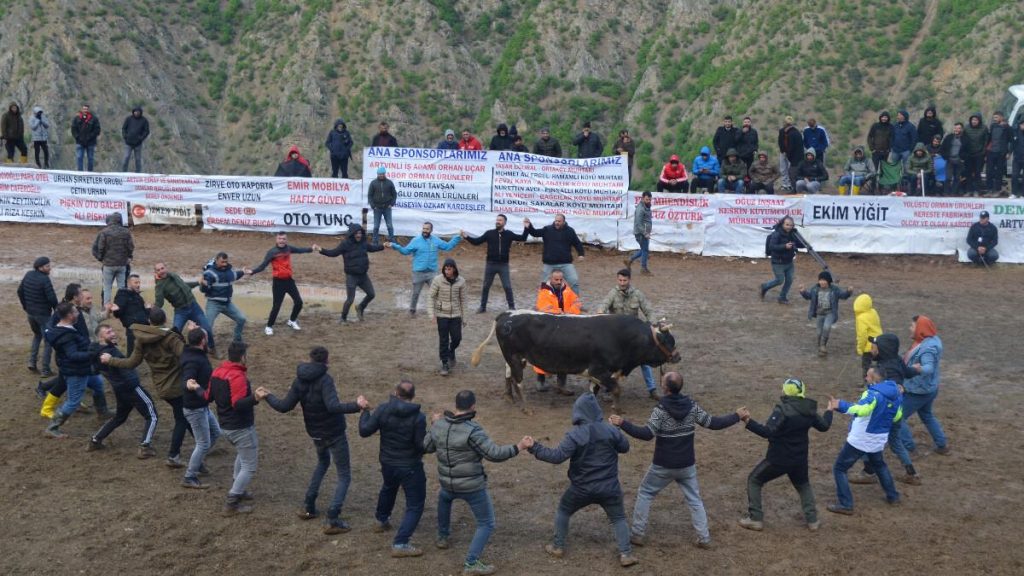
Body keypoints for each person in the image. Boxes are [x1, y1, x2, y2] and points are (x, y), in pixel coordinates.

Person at [609, 372, 745, 550]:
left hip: (663, 464)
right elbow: (713, 423)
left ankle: (638, 534)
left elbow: (646, 434)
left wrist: (622, 423)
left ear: (665, 388)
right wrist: (736, 415)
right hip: (687, 464)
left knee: (646, 492)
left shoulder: (661, 410)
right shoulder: (692, 407)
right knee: (694, 499)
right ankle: (704, 537)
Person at [423, 389, 529, 576]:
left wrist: (433, 424)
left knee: (445, 499)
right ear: (473, 407)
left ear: (456, 405)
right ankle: (471, 563)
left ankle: (442, 537)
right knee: (486, 522)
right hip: (471, 486)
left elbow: (427, 446)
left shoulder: (439, 425)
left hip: (447, 482)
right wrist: (518, 447)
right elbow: (494, 454)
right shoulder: (473, 431)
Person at [258, 346, 361, 533]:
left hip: (315, 432)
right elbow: (332, 406)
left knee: (322, 463)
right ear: (327, 361)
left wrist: (268, 396)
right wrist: (357, 405)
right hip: (334, 433)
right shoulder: (325, 380)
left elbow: (284, 406)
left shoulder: (299, 380)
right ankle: (332, 518)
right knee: (344, 475)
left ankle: (308, 506)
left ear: (310, 359)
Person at [528, 393, 637, 568]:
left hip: (581, 488)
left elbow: (556, 457)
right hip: (609, 487)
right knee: (618, 518)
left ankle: (557, 546)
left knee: (563, 511)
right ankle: (626, 554)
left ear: (578, 411)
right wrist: (614, 432)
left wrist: (534, 447)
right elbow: (625, 447)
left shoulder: (575, 434)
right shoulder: (611, 430)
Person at [737, 378, 832, 532]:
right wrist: (829, 410)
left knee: (754, 480)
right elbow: (824, 426)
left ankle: (755, 518)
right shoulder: (809, 410)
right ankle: (812, 520)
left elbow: (767, 431)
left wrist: (747, 420)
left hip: (778, 458)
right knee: (803, 485)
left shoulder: (782, 410)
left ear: (786, 391)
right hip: (799, 459)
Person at [101, 307, 188, 467]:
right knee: (182, 417)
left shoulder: (141, 339)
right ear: (165, 320)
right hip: (177, 385)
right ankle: (174, 455)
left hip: (161, 386)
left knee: (184, 414)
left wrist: (111, 360)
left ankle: (203, 441)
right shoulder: (171, 338)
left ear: (149, 321)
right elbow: (187, 357)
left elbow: (131, 362)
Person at [359, 380, 428, 558]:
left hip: (388, 462)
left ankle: (381, 520)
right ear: (412, 396)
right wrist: (434, 431)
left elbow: (364, 431)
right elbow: (421, 446)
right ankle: (401, 543)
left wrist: (365, 411)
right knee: (415, 505)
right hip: (410, 466)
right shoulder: (418, 417)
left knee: (389, 487)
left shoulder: (383, 409)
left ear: (396, 393)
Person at [826, 367, 903, 514]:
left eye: (868, 376)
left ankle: (846, 504)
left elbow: (862, 410)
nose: (866, 378)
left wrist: (839, 405)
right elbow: (897, 416)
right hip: (879, 439)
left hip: (861, 439)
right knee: (880, 465)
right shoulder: (897, 395)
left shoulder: (873, 394)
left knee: (840, 468)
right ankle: (893, 496)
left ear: (874, 379)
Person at [88, 323, 159, 457]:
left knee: (119, 417)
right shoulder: (112, 353)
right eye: (108, 332)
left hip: (119, 389)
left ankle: (95, 440)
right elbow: (126, 371)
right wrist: (135, 383)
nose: (113, 333)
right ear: (101, 337)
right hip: (131, 388)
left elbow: (94, 369)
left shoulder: (95, 351)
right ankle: (145, 446)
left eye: (112, 330)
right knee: (152, 415)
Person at [43, 303, 107, 438]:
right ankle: (52, 428)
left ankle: (103, 411)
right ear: (69, 315)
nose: (78, 314)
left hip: (82, 369)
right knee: (73, 402)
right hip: (76, 372)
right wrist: (93, 354)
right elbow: (72, 355)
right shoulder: (66, 336)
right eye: (75, 312)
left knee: (98, 384)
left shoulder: (64, 329)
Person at [209, 341, 259, 516]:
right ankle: (232, 501)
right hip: (240, 427)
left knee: (242, 454)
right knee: (250, 466)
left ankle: (239, 487)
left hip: (225, 425)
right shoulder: (237, 377)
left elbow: (208, 396)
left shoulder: (217, 372)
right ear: (242, 357)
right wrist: (255, 398)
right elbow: (238, 404)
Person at [599, 268, 658, 398]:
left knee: (644, 361)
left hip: (633, 337)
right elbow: (603, 307)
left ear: (629, 280)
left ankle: (652, 389)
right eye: (620, 280)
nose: (622, 283)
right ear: (617, 279)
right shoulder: (612, 294)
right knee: (611, 363)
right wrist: (599, 315)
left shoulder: (637, 294)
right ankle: (608, 389)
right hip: (616, 338)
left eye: (624, 280)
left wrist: (653, 324)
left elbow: (649, 311)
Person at [898, 315, 950, 457]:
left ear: (920, 329)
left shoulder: (927, 348)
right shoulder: (932, 340)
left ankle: (910, 448)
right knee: (926, 415)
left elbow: (928, 368)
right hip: (930, 388)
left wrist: (917, 369)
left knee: (897, 417)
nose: (910, 328)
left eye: (912, 326)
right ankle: (942, 444)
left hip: (918, 391)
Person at [249, 231, 320, 335]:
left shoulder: (288, 248)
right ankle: (269, 326)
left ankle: (292, 320)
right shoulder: (272, 252)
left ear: (286, 240)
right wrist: (252, 272)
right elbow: (263, 266)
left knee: (299, 302)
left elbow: (300, 250)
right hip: (278, 283)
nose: (282, 241)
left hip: (289, 281)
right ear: (276, 239)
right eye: (280, 239)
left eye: (284, 239)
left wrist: (311, 249)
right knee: (277, 306)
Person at [386, 222, 461, 315]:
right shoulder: (416, 240)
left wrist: (457, 237)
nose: (425, 231)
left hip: (432, 272)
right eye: (424, 229)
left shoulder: (436, 240)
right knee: (416, 293)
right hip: (418, 272)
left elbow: (448, 247)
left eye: (427, 229)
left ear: (431, 230)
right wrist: (394, 245)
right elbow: (405, 251)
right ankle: (412, 310)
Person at [462, 214, 527, 313]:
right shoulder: (489, 233)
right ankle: (482, 307)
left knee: (507, 286)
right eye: (497, 220)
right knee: (486, 286)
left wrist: (526, 228)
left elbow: (522, 238)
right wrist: (466, 237)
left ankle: (512, 307)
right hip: (490, 264)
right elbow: (476, 242)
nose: (498, 221)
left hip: (503, 265)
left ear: (505, 223)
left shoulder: (509, 234)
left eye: (500, 220)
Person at [179, 327, 220, 488]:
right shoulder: (193, 360)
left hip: (202, 405)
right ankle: (189, 477)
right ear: (203, 340)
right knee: (203, 443)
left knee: (216, 433)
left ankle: (198, 461)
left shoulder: (193, 353)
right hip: (195, 408)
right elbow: (187, 377)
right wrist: (189, 383)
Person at [320, 222, 384, 323]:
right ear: (352, 234)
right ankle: (343, 318)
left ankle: (360, 307)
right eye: (356, 233)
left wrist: (383, 246)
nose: (359, 235)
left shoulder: (363, 243)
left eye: (360, 233)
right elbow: (333, 253)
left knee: (371, 294)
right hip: (351, 276)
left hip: (363, 276)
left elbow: (372, 248)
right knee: (350, 299)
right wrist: (321, 250)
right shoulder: (345, 244)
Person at [534, 269, 580, 394]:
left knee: (564, 354)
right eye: (556, 280)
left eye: (561, 279)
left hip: (564, 327)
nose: (559, 282)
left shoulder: (567, 290)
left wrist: (569, 313)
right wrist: (561, 313)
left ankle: (561, 384)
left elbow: (576, 303)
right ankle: (541, 380)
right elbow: (543, 309)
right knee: (542, 354)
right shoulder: (544, 292)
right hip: (548, 328)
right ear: (551, 278)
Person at [154, 262, 216, 355]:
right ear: (156, 273)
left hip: (194, 307)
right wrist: (152, 310)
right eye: (158, 270)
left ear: (166, 268)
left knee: (207, 328)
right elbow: (160, 303)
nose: (161, 271)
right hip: (180, 311)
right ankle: (176, 351)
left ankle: (211, 348)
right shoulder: (160, 286)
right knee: (175, 333)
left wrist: (197, 282)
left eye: (162, 268)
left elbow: (185, 285)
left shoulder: (174, 275)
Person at [525, 214, 585, 295]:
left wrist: (581, 254)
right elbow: (535, 233)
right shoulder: (547, 229)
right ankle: (543, 304)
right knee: (544, 284)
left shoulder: (570, 231)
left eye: (559, 221)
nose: (557, 223)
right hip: (549, 263)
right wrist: (529, 226)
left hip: (566, 263)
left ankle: (576, 304)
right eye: (556, 221)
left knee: (574, 281)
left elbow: (577, 243)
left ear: (564, 222)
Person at [18, 256, 58, 376]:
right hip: (43, 315)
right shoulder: (45, 279)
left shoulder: (29, 274)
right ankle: (45, 369)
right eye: (47, 266)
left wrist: (26, 306)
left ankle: (32, 362)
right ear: (40, 267)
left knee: (37, 336)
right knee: (48, 341)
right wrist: (57, 310)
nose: (49, 268)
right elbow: (51, 298)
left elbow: (20, 291)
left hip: (31, 314)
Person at [798, 271, 853, 357]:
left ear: (828, 281)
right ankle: (820, 346)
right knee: (819, 333)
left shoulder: (834, 290)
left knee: (826, 327)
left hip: (830, 313)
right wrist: (803, 292)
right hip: (819, 314)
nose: (822, 282)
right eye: (820, 280)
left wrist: (848, 292)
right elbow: (809, 297)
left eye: (824, 280)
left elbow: (843, 296)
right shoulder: (815, 289)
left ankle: (823, 346)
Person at [428, 259, 467, 376]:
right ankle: (445, 363)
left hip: (456, 315)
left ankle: (451, 350)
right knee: (443, 339)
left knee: (457, 338)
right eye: (445, 269)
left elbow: (463, 301)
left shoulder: (461, 281)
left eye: (449, 269)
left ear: (454, 269)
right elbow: (431, 297)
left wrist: (464, 318)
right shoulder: (437, 280)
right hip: (442, 315)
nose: (447, 271)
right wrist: (431, 314)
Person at [200, 252, 249, 345]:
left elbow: (235, 275)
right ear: (216, 261)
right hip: (213, 304)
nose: (225, 264)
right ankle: (208, 346)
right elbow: (204, 289)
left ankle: (237, 340)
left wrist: (243, 272)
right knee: (207, 327)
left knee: (241, 319)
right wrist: (204, 284)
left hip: (227, 304)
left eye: (226, 262)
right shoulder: (209, 273)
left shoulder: (229, 271)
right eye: (222, 262)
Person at [759, 216, 804, 304]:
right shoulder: (776, 234)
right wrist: (784, 246)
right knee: (779, 280)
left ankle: (782, 297)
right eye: (787, 225)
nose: (789, 227)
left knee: (789, 280)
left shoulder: (793, 233)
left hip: (789, 261)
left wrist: (802, 243)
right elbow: (772, 247)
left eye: (791, 225)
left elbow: (799, 244)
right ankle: (765, 286)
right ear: (782, 224)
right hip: (778, 262)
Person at [93, 211, 134, 306]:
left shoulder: (104, 232)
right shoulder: (126, 232)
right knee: (122, 288)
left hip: (108, 264)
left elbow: (99, 247)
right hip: (122, 264)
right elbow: (131, 247)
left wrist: (101, 258)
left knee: (107, 287)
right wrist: (128, 257)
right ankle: (121, 307)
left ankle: (106, 308)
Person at [112, 274, 149, 356]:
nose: (138, 285)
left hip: (145, 327)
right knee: (132, 354)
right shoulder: (122, 295)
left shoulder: (138, 296)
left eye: (139, 282)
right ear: (129, 283)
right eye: (136, 283)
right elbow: (118, 313)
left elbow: (144, 313)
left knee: (165, 331)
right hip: (133, 328)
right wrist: (116, 310)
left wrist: (148, 309)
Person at [853, 293, 883, 379]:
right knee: (878, 366)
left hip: (868, 347)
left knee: (866, 366)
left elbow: (862, 336)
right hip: (879, 343)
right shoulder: (873, 312)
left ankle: (867, 384)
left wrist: (860, 348)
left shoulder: (861, 318)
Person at [368, 166, 398, 244]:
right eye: (379, 174)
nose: (381, 175)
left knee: (389, 225)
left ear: (385, 174)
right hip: (377, 208)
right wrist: (373, 206)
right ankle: (375, 241)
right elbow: (370, 195)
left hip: (387, 208)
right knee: (376, 226)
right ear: (377, 174)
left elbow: (394, 194)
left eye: (382, 174)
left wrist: (392, 204)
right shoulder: (373, 183)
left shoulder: (389, 182)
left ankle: (392, 240)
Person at [962, 113, 989, 196]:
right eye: (973, 120)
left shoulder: (984, 128)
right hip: (968, 154)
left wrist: (984, 152)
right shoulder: (966, 128)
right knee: (968, 173)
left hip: (979, 154)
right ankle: (969, 190)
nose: (974, 121)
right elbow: (963, 140)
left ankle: (977, 190)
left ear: (979, 120)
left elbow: (986, 141)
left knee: (977, 173)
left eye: (976, 120)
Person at [986, 112, 1013, 196]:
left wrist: (1009, 152)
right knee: (989, 171)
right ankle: (989, 190)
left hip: (1001, 153)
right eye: (994, 117)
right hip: (991, 152)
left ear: (1001, 117)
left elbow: (1011, 141)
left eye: (996, 117)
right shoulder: (992, 126)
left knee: (999, 172)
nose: (995, 119)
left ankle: (997, 190)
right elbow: (989, 138)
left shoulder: (1007, 127)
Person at [627, 191, 652, 273]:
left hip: (643, 233)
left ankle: (630, 260)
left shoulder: (645, 206)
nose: (648, 201)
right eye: (647, 199)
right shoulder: (640, 209)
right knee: (645, 250)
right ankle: (643, 268)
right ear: (642, 198)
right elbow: (638, 223)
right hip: (641, 233)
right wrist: (645, 233)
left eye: (649, 199)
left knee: (643, 249)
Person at [71, 104, 101, 171]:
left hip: (90, 142)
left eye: (86, 109)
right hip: (80, 142)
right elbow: (73, 129)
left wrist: (91, 137)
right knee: (79, 157)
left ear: (88, 110)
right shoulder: (77, 118)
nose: (85, 110)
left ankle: (90, 173)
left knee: (90, 158)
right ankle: (80, 173)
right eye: (84, 109)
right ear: (82, 110)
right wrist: (77, 137)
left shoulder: (94, 119)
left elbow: (97, 130)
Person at [778, 116, 804, 191]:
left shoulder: (795, 132)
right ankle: (784, 183)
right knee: (783, 168)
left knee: (790, 169)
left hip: (792, 154)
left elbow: (793, 145)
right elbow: (780, 142)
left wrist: (788, 153)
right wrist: (783, 151)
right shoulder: (782, 131)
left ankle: (790, 184)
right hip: (783, 152)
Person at [120, 107, 150, 172]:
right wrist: (125, 136)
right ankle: (123, 172)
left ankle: (138, 173)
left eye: (138, 112)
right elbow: (123, 128)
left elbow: (146, 131)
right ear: (133, 112)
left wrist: (141, 138)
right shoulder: (128, 119)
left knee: (138, 159)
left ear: (140, 112)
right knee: (126, 157)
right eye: (135, 111)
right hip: (128, 143)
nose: (136, 113)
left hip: (138, 144)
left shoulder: (144, 120)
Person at [939, 122, 966, 196]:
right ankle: (946, 192)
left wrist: (963, 158)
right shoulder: (949, 137)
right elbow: (942, 148)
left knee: (957, 178)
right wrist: (946, 157)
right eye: (955, 128)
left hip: (959, 161)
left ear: (962, 129)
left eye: (959, 128)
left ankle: (953, 193)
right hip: (949, 160)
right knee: (948, 177)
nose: (957, 129)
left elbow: (967, 150)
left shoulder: (965, 139)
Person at [1011, 117, 1024, 199]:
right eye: (1022, 124)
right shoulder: (1016, 132)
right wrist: (1009, 152)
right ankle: (1014, 193)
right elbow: (1012, 144)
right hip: (1017, 158)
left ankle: (1023, 194)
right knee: (1014, 176)